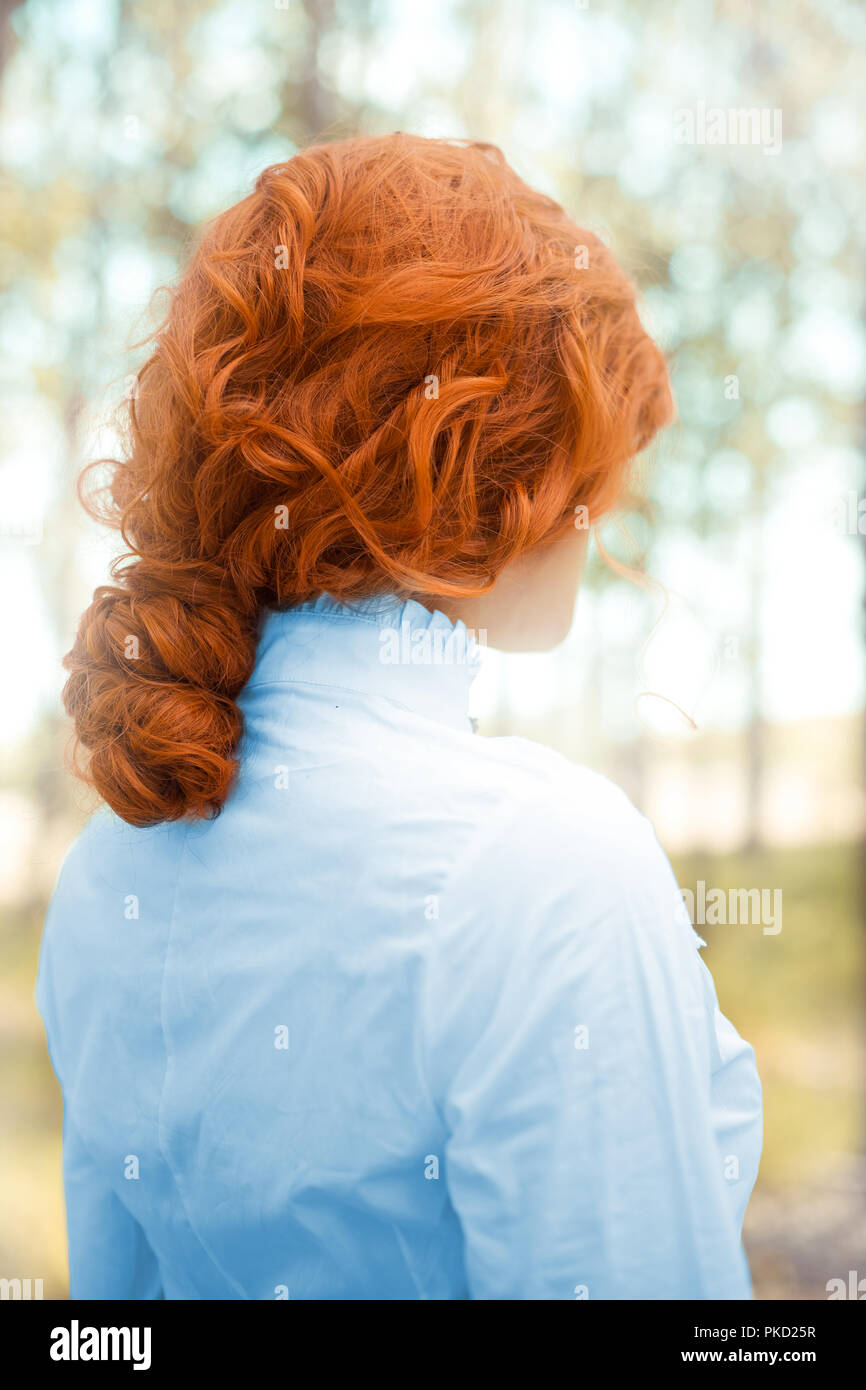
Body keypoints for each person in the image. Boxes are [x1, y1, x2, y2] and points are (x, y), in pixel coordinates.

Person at [36, 133, 761, 1300]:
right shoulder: (542, 870)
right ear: (496, 473)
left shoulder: (103, 876)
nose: (602, 527)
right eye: (590, 472)